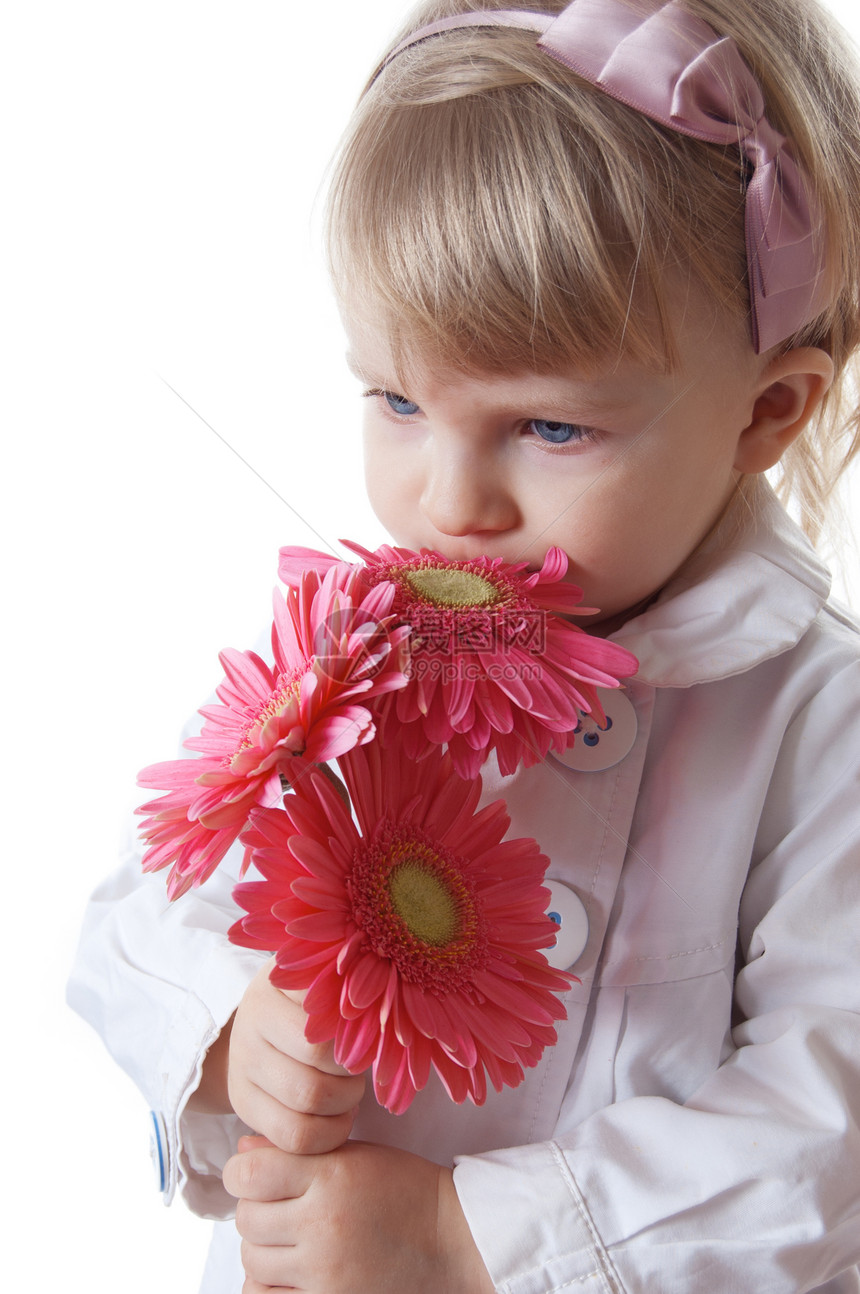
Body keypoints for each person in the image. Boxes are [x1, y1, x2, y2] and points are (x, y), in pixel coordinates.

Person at [68, 0, 860, 1289]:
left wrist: (465, 1240)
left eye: (549, 429)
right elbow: (142, 907)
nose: (449, 504)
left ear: (766, 412)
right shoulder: (341, 667)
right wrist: (228, 1023)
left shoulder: (819, 730)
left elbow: (827, 1134)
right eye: (397, 400)